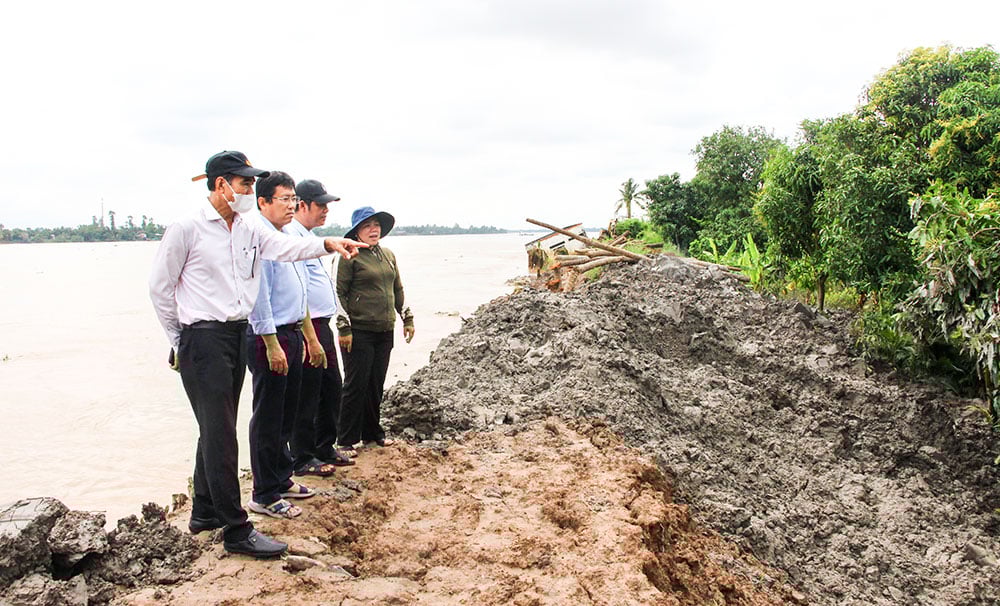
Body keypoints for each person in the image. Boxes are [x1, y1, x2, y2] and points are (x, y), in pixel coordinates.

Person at [148, 151, 365, 558]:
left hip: (235, 333)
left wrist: (327, 244)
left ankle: (204, 512)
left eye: (251, 184)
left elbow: (285, 249)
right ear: (220, 185)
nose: (249, 191)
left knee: (216, 425)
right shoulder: (187, 228)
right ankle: (236, 530)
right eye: (245, 184)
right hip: (202, 337)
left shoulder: (247, 228)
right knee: (221, 433)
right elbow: (160, 288)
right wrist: (180, 340)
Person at [245, 171, 332, 520]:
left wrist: (307, 336)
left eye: (294, 198)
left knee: (286, 413)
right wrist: (270, 343)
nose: (291, 205)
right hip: (272, 337)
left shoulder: (282, 239)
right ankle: (263, 493)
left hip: (293, 332)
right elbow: (258, 299)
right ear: (263, 202)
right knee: (268, 416)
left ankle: (281, 477)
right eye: (285, 199)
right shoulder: (261, 240)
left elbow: (300, 294)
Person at [286, 179, 354, 470]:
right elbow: (297, 290)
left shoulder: (310, 238)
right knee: (307, 392)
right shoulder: (293, 239)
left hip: (322, 323)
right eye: (321, 205)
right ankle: (302, 456)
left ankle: (325, 447)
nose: (326, 210)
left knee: (330, 387)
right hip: (306, 324)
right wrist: (309, 336)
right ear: (303, 205)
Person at [336, 207, 414, 454]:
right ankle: (346, 440)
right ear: (357, 232)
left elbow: (397, 289)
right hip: (358, 331)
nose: (373, 230)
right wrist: (344, 327)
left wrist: (407, 318)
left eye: (376, 225)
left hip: (384, 329)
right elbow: (338, 293)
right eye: (367, 226)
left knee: (376, 383)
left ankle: (372, 434)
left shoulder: (388, 255)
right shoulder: (350, 256)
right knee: (355, 384)